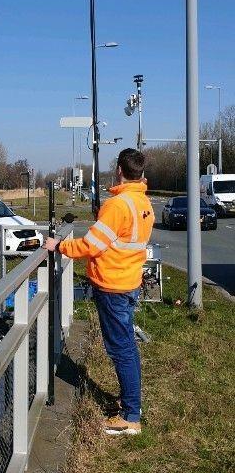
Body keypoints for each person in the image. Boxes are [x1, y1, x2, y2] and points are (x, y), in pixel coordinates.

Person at [45, 148, 154, 435]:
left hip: (113, 286)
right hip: (128, 282)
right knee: (126, 347)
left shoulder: (117, 205)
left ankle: (130, 417)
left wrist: (59, 246)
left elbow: (91, 245)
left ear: (119, 169)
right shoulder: (143, 202)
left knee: (121, 350)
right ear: (140, 172)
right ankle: (130, 404)